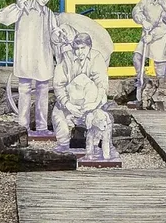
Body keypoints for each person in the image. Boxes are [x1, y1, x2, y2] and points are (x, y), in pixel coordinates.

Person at [0, 0, 57, 135]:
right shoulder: (23, 6)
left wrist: (59, 35)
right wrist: (17, 7)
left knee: (43, 90)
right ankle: (23, 126)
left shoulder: (49, 13)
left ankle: (42, 127)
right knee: (25, 90)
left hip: (43, 57)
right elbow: (2, 18)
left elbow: (54, 32)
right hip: (26, 57)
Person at [50, 32, 118, 162]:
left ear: (89, 47)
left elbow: (102, 84)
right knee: (59, 120)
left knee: (104, 120)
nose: (80, 52)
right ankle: (64, 146)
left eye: (83, 48)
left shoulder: (97, 58)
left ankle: (104, 146)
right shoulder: (66, 58)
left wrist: (94, 104)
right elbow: (58, 85)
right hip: (70, 101)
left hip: (91, 102)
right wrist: (67, 104)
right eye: (77, 49)